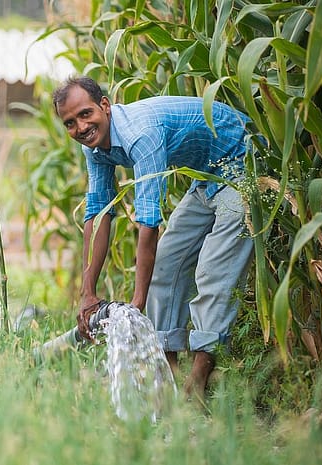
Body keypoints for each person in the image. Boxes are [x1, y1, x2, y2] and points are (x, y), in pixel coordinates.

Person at [52, 76, 255, 402]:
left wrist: (137, 302)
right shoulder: (93, 148)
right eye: (70, 123)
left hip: (242, 161)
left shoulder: (140, 135)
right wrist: (87, 293)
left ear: (105, 105)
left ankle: (198, 385)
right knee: (166, 264)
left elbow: (149, 224)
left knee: (213, 270)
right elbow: (98, 215)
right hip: (206, 177)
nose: (81, 126)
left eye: (86, 114)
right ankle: (169, 379)